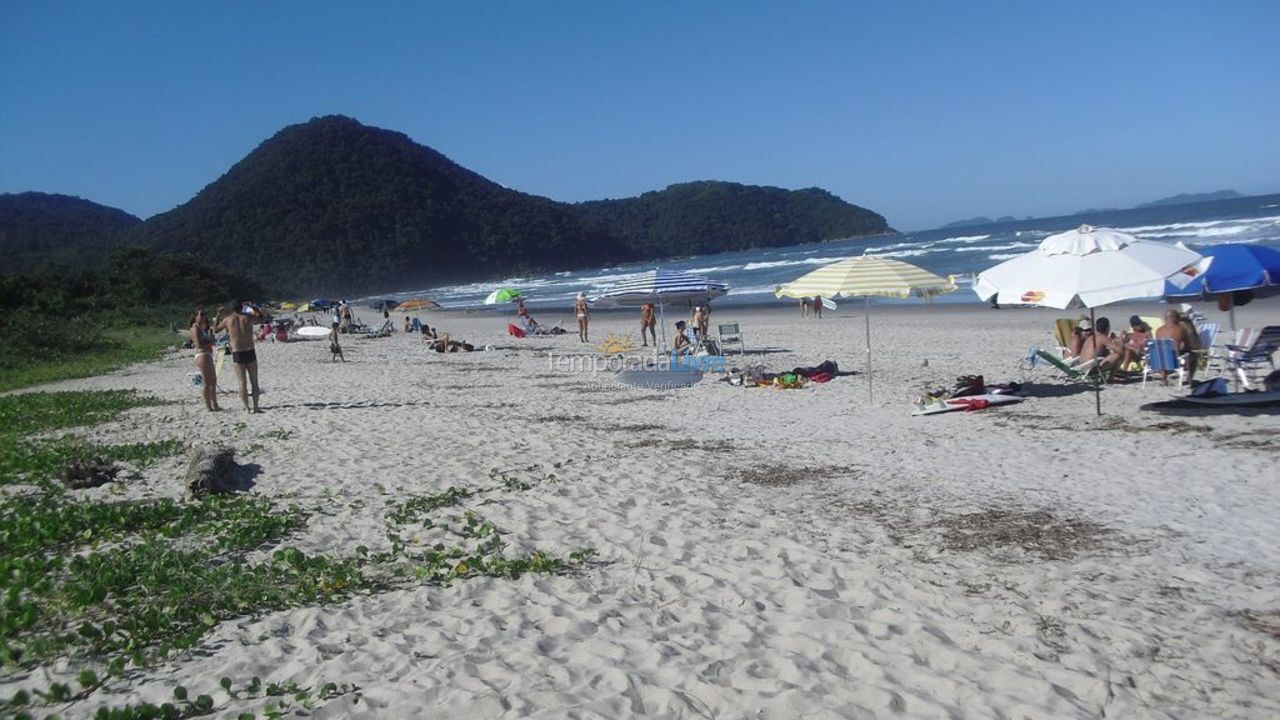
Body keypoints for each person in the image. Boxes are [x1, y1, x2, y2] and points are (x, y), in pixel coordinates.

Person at [215, 300, 263, 413]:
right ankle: (256, 407)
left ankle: (247, 408)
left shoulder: (228, 320)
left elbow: (215, 330)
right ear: (242, 308)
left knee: (242, 382)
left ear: (231, 309)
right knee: (254, 381)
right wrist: (253, 307)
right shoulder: (248, 317)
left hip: (237, 351)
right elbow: (261, 317)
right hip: (250, 350)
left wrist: (217, 315)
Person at [189, 308, 221, 411]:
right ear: (195, 316)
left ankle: (215, 403)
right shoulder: (195, 328)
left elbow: (214, 329)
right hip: (202, 355)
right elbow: (198, 344)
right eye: (201, 314)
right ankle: (209, 406)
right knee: (207, 382)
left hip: (207, 354)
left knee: (213, 381)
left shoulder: (202, 328)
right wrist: (210, 342)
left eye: (204, 314)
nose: (203, 317)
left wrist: (218, 315)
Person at [1156, 309, 1198, 383]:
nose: (1179, 319)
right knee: (1194, 356)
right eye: (1178, 317)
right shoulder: (1181, 329)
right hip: (1174, 361)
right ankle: (1189, 380)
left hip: (1159, 361)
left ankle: (1164, 379)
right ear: (1174, 318)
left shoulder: (1158, 330)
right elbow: (1189, 347)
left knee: (1163, 352)